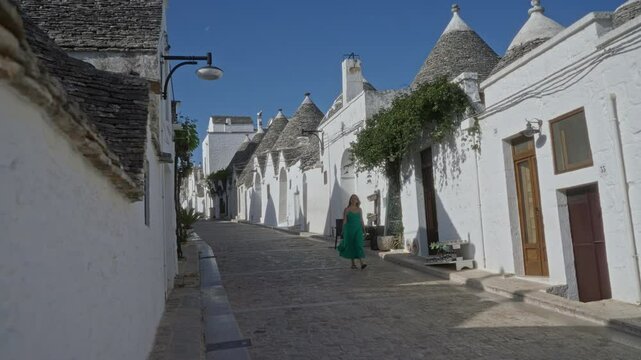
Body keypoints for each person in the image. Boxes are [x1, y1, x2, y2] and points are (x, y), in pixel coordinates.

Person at [337, 194, 367, 270]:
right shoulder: (347, 209)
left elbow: (361, 220)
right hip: (349, 230)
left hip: (358, 230)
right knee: (351, 246)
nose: (354, 200)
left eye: (355, 199)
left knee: (358, 244)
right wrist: (343, 231)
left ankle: (362, 262)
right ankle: (353, 264)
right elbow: (345, 221)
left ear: (357, 200)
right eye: (352, 199)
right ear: (350, 200)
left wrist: (364, 230)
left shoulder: (359, 209)